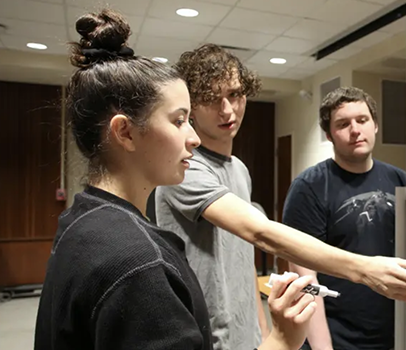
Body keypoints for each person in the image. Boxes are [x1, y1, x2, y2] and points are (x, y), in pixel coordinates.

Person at [34, 9, 317, 350]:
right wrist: (284, 339)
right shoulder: (138, 263)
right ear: (125, 132)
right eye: (180, 120)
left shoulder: (83, 222)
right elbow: (260, 232)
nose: (193, 138)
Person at [153, 44, 406, 350]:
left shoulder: (239, 170)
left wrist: (263, 329)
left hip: (247, 338)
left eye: (234, 94)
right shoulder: (184, 167)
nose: (227, 110)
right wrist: (365, 270)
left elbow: (244, 253)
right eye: (211, 99)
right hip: (201, 336)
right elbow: (260, 232)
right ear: (192, 106)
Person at [282, 86, 406, 350]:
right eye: (343, 124)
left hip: (395, 335)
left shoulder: (400, 180)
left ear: (375, 126)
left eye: (362, 120)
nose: (355, 130)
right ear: (329, 135)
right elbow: (306, 279)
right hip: (337, 339)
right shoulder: (309, 187)